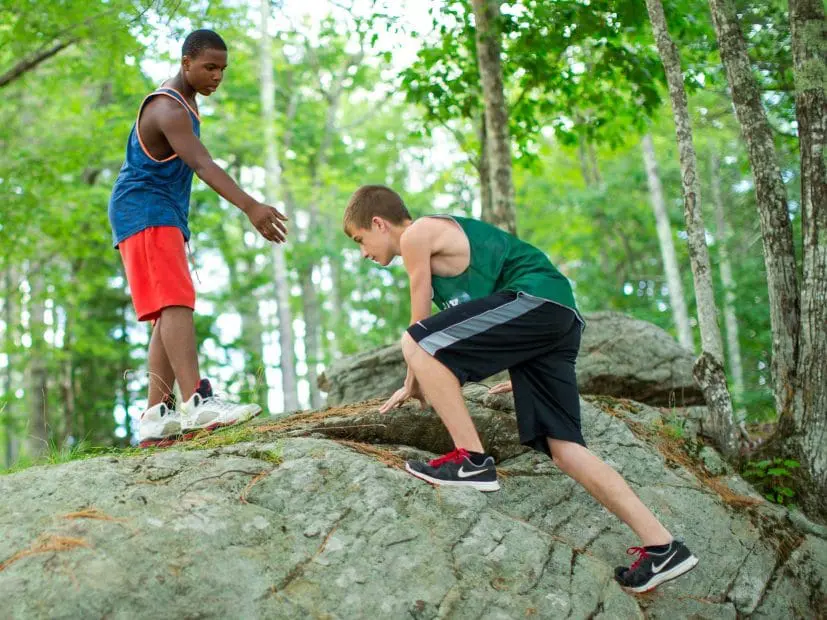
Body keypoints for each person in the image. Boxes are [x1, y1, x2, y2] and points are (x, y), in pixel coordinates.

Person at [342, 184, 698, 593]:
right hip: (553, 320)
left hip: (538, 299)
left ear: (379, 223)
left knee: (416, 340)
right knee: (563, 446)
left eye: (360, 240)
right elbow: (489, 322)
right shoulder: (449, 278)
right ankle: (662, 546)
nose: (364, 252)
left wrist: (413, 377)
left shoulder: (419, 232)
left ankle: (471, 460)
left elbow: (420, 324)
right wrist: (516, 366)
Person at [108, 30, 288, 448]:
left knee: (165, 309)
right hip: (145, 210)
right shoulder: (167, 108)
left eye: (223, 69)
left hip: (158, 212)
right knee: (175, 300)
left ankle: (156, 414)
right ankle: (196, 401)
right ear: (185, 62)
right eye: (210, 67)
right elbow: (203, 164)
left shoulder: (184, 105)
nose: (217, 76)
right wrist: (251, 206)